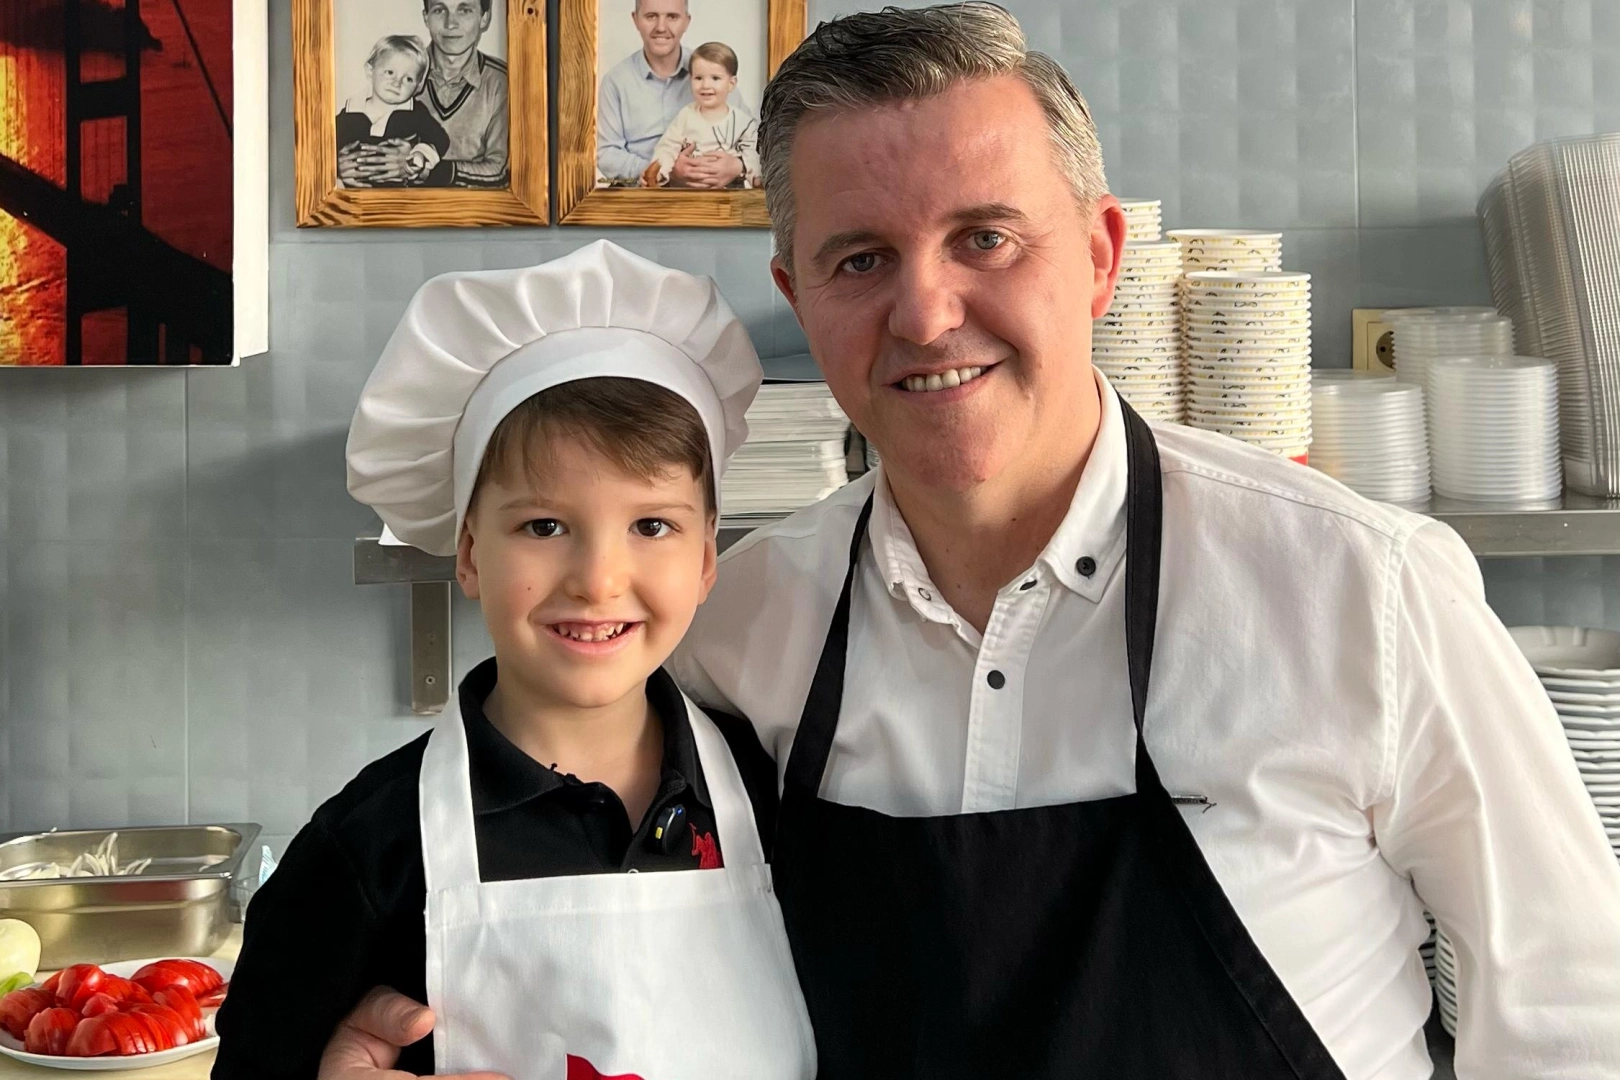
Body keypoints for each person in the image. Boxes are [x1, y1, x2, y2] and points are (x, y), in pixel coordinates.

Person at [321, 5, 1620, 1079]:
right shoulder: (741, 634)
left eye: (985, 238)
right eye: (861, 260)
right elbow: (628, 983)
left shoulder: (1366, 594)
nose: (927, 313)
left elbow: (1572, 1020)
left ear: (1100, 258)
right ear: (798, 298)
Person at [212, 241, 814, 1080]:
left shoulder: (785, 801)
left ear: (708, 557)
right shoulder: (365, 851)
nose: (598, 579)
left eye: (652, 525)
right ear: (468, 553)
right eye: (543, 526)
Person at [339, 0, 509, 189]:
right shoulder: (391, 69)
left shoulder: (503, 82)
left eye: (464, 10)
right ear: (426, 17)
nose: (450, 23)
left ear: (484, 18)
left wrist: (422, 169)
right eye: (439, 10)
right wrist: (341, 164)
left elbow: (503, 172)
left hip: (467, 207)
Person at [596, 0, 744, 190]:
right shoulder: (615, 82)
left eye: (672, 17)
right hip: (643, 198)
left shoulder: (715, 73)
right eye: (651, 16)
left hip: (714, 197)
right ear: (635, 19)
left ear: (687, 21)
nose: (661, 27)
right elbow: (606, 154)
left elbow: (754, 138)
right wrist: (662, 171)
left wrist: (739, 166)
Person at [335, 35, 450, 187]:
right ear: (370, 70)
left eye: (408, 79)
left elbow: (440, 140)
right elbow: (324, 147)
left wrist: (420, 155)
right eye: (389, 72)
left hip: (400, 195)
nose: (397, 83)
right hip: (356, 195)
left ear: (418, 86)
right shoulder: (350, 111)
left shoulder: (415, 113)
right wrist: (335, 167)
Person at [641, 42, 760, 189]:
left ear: (731, 83)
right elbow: (668, 147)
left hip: (731, 193)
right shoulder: (686, 116)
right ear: (690, 79)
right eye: (698, 78)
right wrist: (659, 170)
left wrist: (757, 178)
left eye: (715, 78)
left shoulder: (743, 122)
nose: (705, 85)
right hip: (691, 192)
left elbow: (753, 155)